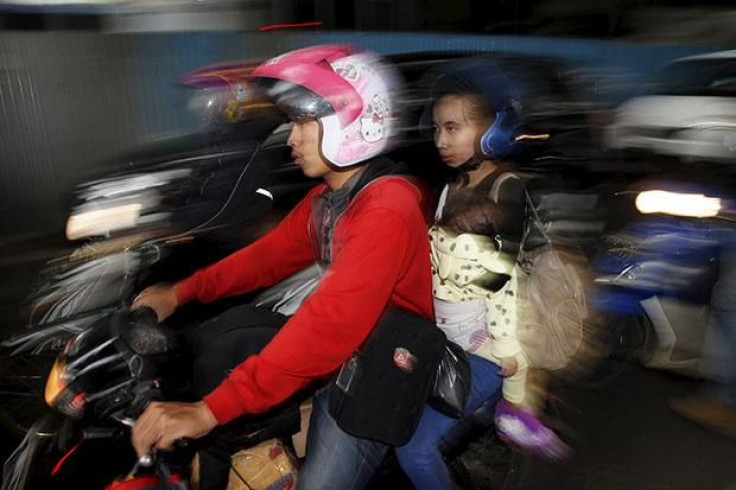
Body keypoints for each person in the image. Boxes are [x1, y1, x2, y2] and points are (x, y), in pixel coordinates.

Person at [129, 44, 434, 489]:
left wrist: (209, 411)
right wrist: (180, 293)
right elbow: (265, 259)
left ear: (354, 119)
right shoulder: (331, 200)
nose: (291, 137)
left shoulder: (388, 205)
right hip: (344, 356)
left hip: (378, 374)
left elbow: (329, 326)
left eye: (304, 121)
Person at [395, 60, 565, 489]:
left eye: (453, 128)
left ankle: (513, 413)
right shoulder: (453, 186)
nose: (440, 140)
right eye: (436, 129)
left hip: (490, 347)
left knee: (413, 447)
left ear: (496, 128)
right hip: (450, 338)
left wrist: (502, 345)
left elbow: (502, 279)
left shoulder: (505, 188)